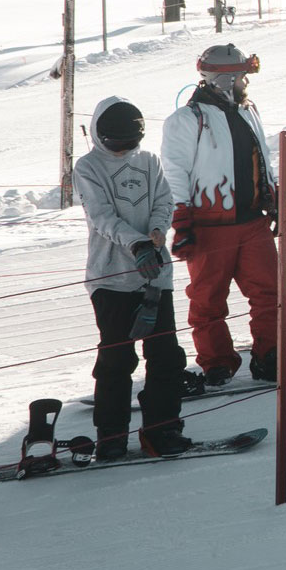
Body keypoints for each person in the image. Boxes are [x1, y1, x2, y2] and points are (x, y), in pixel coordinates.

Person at [163, 44, 286, 387]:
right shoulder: (186, 120)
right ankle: (216, 362)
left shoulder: (248, 110)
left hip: (252, 220)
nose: (246, 81)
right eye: (242, 75)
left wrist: (272, 196)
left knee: (270, 293)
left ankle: (271, 357)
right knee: (208, 299)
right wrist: (181, 219)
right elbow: (174, 171)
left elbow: (263, 157)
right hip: (210, 224)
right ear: (226, 79)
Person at [77, 96, 189, 460]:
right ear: (101, 136)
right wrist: (136, 243)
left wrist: (156, 232)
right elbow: (101, 216)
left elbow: (164, 201)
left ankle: (162, 430)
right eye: (117, 145)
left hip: (155, 274)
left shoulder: (149, 160)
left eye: (130, 144)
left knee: (166, 356)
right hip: (111, 277)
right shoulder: (88, 167)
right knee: (116, 359)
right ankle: (111, 436)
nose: (124, 151)